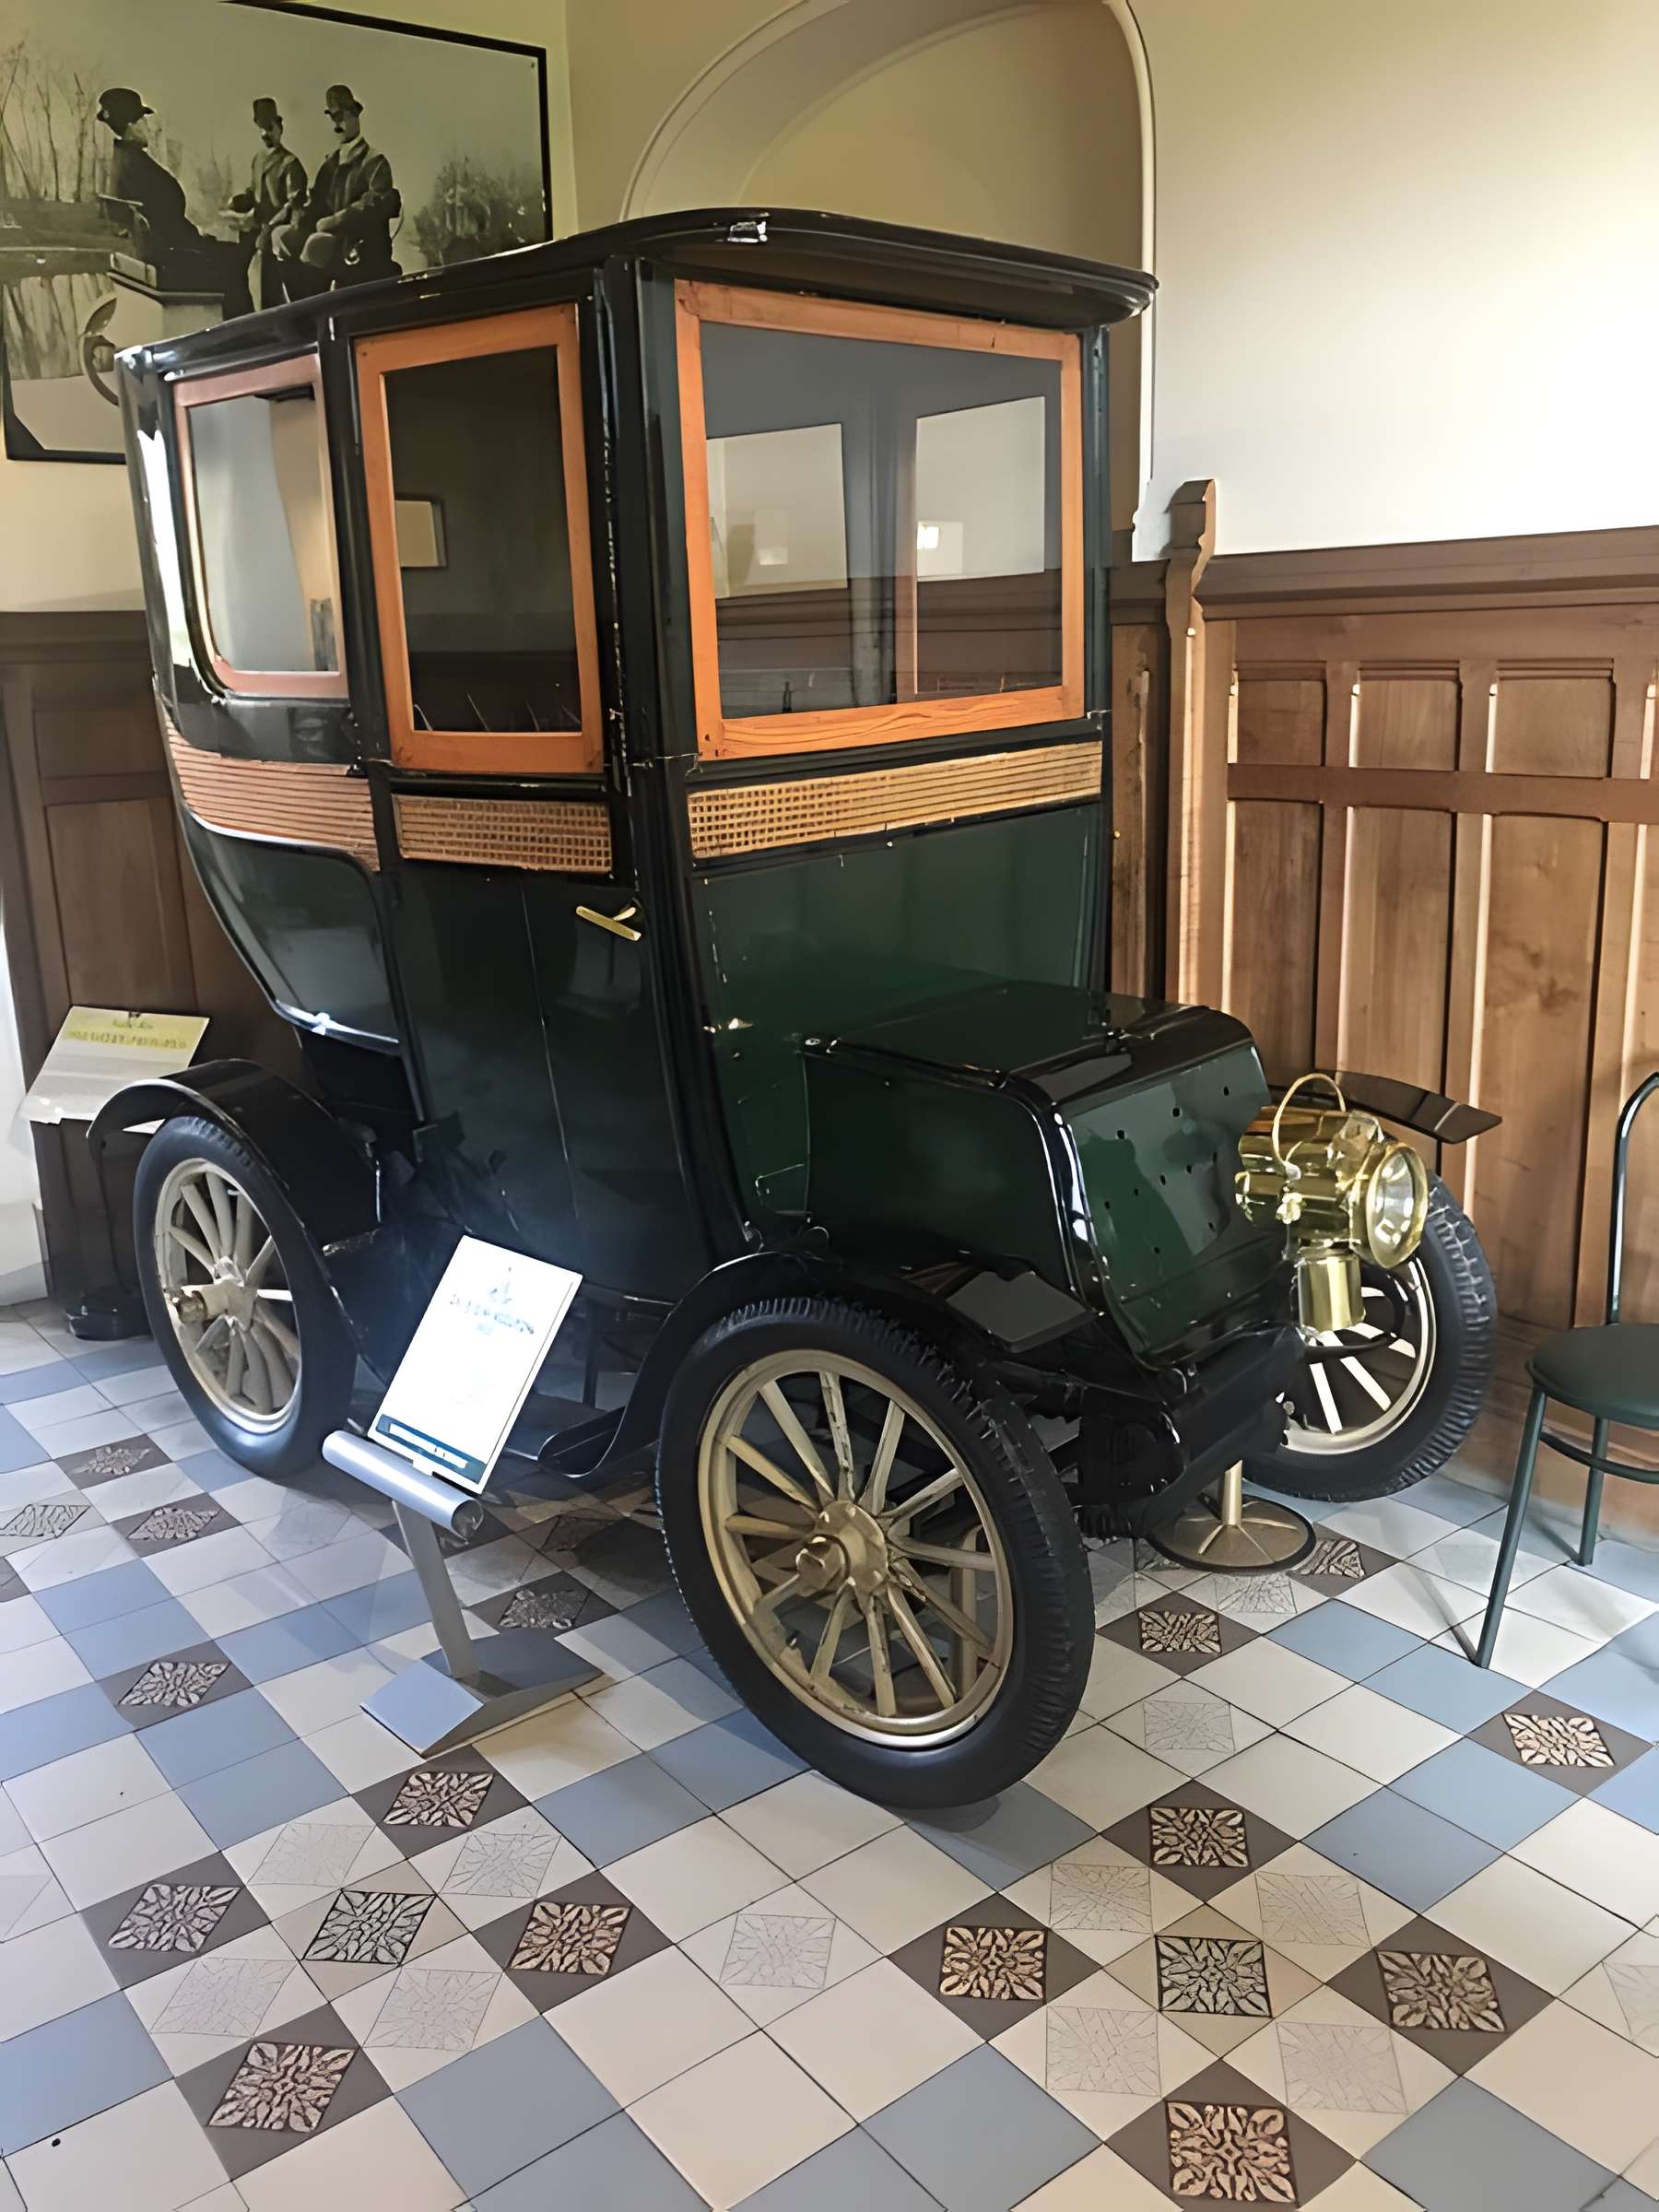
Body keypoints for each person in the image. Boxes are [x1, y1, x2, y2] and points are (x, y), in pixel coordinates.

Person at [271, 85, 400, 299]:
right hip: (331, 238)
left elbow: (376, 203)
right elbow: (318, 201)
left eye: (341, 116)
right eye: (332, 118)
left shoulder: (374, 162)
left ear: (355, 116)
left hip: (359, 243)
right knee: (281, 237)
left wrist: (335, 220)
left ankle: (312, 309)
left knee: (315, 245)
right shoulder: (330, 164)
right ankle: (298, 308)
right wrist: (299, 213)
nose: (337, 124)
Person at [96, 88, 203, 260]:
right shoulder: (135, 165)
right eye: (143, 120)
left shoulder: (129, 159)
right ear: (131, 125)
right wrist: (199, 241)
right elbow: (164, 220)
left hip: (169, 248)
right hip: (170, 256)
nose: (149, 127)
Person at [223, 98, 307, 315]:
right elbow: (255, 193)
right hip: (255, 230)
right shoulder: (258, 159)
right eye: (261, 129)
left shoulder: (290, 164)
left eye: (269, 128)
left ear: (280, 127)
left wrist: (269, 228)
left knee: (270, 288)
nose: (265, 135)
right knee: (233, 272)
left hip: (277, 234)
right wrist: (238, 202)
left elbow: (293, 204)